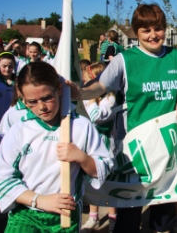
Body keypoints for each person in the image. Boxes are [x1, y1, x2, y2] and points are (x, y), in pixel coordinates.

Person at [68, 3, 177, 233]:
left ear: (164, 29)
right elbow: (100, 86)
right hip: (136, 150)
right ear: (136, 33)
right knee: (129, 214)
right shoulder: (124, 60)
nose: (152, 35)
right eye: (145, 30)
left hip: (169, 147)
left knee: (163, 209)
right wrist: (79, 92)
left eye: (157, 28)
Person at [0, 61, 113, 232]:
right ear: (23, 99)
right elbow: (3, 178)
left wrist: (81, 157)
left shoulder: (80, 126)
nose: (41, 107)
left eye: (47, 97)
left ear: (59, 89)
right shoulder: (20, 130)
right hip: (25, 213)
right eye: (32, 101)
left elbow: (103, 167)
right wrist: (39, 200)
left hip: (65, 215)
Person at [80, 62, 118, 233]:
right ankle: (93, 217)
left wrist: (90, 99)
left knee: (108, 184)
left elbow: (96, 116)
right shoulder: (95, 99)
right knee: (93, 182)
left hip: (106, 144)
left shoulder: (110, 99)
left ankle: (113, 218)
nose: (85, 85)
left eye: (88, 81)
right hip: (90, 145)